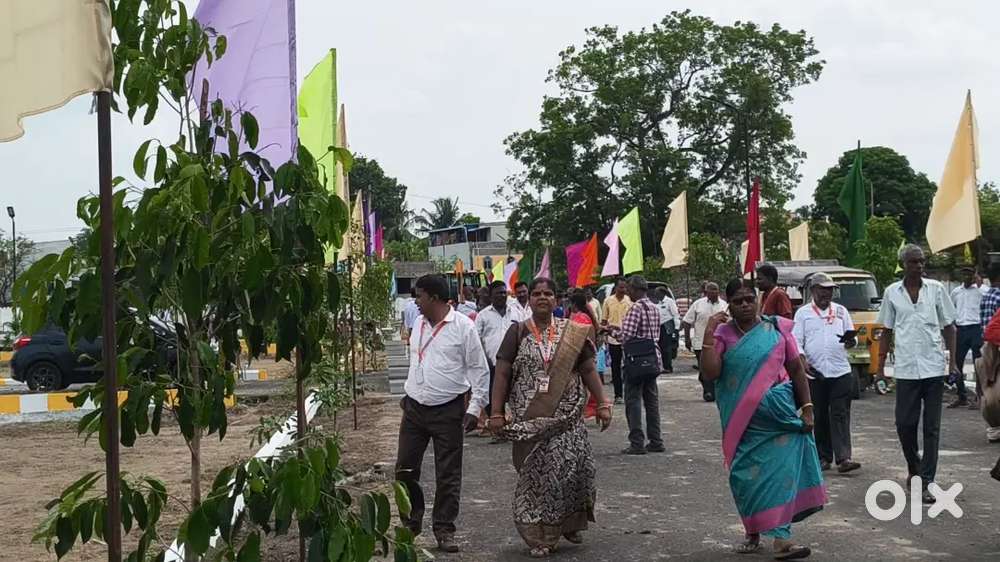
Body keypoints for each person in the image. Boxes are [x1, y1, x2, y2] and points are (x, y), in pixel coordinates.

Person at [700, 278, 825, 560]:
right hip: (742, 423)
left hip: (779, 418)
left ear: (756, 299)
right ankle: (753, 531)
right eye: (737, 301)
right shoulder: (722, 335)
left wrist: (807, 408)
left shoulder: (777, 329)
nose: (745, 305)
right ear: (728, 305)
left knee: (780, 475)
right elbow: (711, 374)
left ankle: (782, 539)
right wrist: (709, 331)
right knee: (744, 477)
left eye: (749, 299)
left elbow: (795, 369)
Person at [489, 277, 612, 558]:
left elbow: (588, 370)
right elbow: (503, 373)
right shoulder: (517, 332)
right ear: (529, 300)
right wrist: (496, 412)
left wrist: (602, 403)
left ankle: (568, 522)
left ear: (557, 300)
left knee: (573, 471)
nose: (542, 298)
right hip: (531, 419)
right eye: (536, 294)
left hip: (567, 417)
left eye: (548, 293)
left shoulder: (573, 332)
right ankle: (540, 534)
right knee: (539, 477)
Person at [395, 274, 490, 552]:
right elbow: (419, 361)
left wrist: (475, 408)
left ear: (434, 297)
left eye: (419, 296)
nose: (416, 301)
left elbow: (479, 370)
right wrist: (410, 391)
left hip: (448, 409)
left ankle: (444, 529)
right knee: (404, 468)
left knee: (447, 473)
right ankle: (410, 525)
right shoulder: (418, 325)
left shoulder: (463, 327)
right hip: (414, 408)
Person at [876, 244, 959, 504]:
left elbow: (950, 327)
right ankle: (915, 466)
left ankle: (927, 482)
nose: (919, 266)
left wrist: (953, 363)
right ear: (904, 264)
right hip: (907, 370)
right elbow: (887, 331)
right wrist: (879, 369)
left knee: (931, 428)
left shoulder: (936, 289)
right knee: (905, 424)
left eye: (922, 262)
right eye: (913, 262)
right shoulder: (892, 292)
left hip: (933, 367)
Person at [792, 273, 861, 474]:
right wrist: (802, 360)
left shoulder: (841, 311)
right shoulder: (803, 313)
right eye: (823, 289)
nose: (827, 294)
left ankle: (844, 458)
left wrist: (851, 341)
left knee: (840, 414)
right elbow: (796, 341)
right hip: (815, 372)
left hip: (840, 370)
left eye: (830, 290)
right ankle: (823, 457)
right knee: (820, 414)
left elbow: (851, 335)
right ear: (813, 290)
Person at [606, 275, 664, 455]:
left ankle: (637, 442)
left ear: (635, 289)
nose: (627, 292)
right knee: (651, 400)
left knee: (633, 400)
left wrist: (612, 331)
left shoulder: (635, 309)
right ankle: (656, 440)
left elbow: (626, 336)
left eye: (629, 289)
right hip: (653, 358)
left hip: (635, 361)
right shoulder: (654, 308)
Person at [475, 281, 521, 440]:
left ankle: (513, 428)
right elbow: (477, 339)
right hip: (491, 364)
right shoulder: (483, 315)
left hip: (515, 363)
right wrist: (484, 361)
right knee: (493, 397)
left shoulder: (515, 313)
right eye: (498, 293)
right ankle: (497, 429)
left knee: (515, 395)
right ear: (490, 295)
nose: (502, 296)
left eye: (504, 293)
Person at [683, 282, 728, 402]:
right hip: (700, 343)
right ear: (706, 292)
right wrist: (687, 339)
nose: (713, 292)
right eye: (710, 290)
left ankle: (715, 391)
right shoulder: (698, 304)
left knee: (717, 367)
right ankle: (708, 392)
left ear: (719, 291)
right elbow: (687, 321)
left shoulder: (724, 305)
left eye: (715, 290)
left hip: (718, 343)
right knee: (704, 368)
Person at [950, 266, 983, 408]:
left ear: (974, 275)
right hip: (960, 329)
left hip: (976, 328)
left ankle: (979, 397)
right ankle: (961, 395)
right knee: (957, 362)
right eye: (964, 274)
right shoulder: (956, 292)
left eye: (970, 274)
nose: (967, 277)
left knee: (978, 364)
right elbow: (951, 310)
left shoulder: (981, 291)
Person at [601, 279, 633, 404]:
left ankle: (630, 393)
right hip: (613, 339)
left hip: (627, 339)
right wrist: (603, 336)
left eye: (625, 288)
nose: (623, 290)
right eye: (621, 287)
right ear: (616, 288)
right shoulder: (608, 301)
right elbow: (604, 321)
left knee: (629, 367)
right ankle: (618, 394)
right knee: (615, 367)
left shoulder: (629, 301)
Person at [980, 264, 1000, 442]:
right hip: (993, 350)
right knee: (992, 396)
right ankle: (994, 425)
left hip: (987, 345)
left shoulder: (986, 294)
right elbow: (991, 331)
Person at [653, 286, 680, 373]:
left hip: (667, 327)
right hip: (658, 327)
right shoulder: (656, 302)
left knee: (667, 348)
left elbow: (675, 315)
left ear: (662, 293)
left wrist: (676, 329)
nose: (655, 295)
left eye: (657, 293)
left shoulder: (669, 302)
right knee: (660, 347)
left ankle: (668, 367)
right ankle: (662, 366)